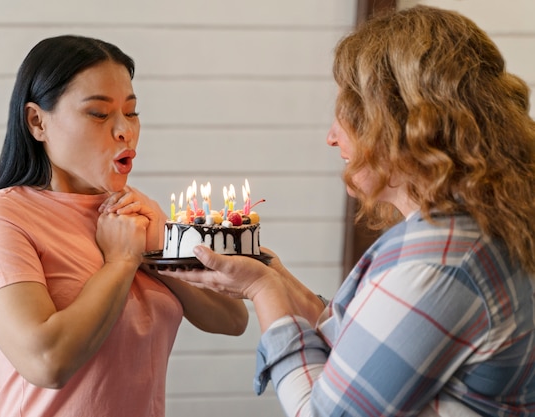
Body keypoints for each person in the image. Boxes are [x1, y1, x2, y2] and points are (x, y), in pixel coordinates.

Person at [160, 6, 535, 416]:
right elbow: (375, 346)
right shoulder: (469, 229)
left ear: (397, 121)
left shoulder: (441, 261)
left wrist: (263, 291)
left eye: (347, 110)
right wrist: (280, 282)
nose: (331, 136)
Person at [0, 35, 248, 417]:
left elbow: (232, 319)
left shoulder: (136, 214)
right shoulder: (0, 218)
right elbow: (47, 362)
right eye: (99, 114)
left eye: (131, 112)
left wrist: (156, 252)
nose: (124, 131)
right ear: (37, 121)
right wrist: (120, 263)